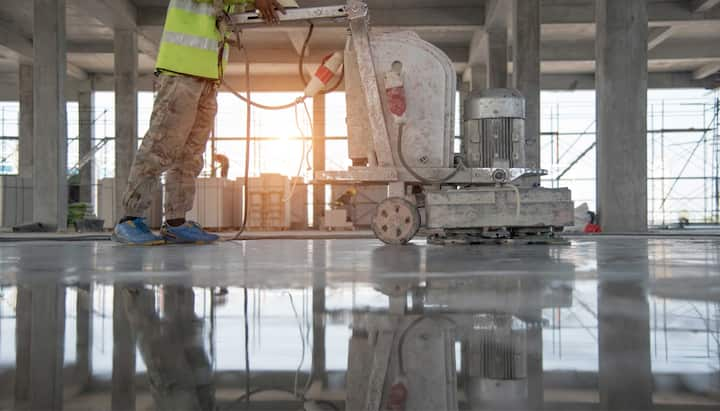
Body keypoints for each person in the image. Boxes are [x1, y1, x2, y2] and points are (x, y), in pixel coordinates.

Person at [112, 0, 287, 245]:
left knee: (190, 154)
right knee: (160, 146)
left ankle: (176, 222)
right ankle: (129, 219)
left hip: (208, 76)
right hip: (181, 69)